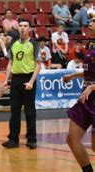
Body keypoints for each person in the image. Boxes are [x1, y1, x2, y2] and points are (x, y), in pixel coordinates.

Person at [2, 20, 41, 149]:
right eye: (21, 26)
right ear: (18, 28)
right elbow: (10, 63)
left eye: (25, 26)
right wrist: (7, 80)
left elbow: (38, 65)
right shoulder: (13, 44)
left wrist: (31, 82)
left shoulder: (34, 44)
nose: (22, 28)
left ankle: (32, 139)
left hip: (28, 78)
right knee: (15, 111)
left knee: (30, 111)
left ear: (29, 28)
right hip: (16, 79)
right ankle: (13, 139)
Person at [63, 20, 95, 172]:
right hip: (86, 99)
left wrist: (93, 86)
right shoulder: (90, 46)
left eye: (94, 21)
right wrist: (74, 75)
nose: (90, 24)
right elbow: (89, 73)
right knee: (72, 139)